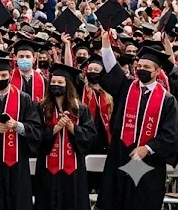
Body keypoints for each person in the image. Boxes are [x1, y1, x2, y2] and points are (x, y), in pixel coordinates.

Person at [96, 33, 178, 210]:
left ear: (157, 72)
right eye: (139, 65)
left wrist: (147, 148)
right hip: (120, 154)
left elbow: (171, 134)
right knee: (116, 201)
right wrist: (105, 44)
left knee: (141, 203)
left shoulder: (167, 100)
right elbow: (112, 68)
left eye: (147, 67)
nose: (141, 69)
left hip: (148, 163)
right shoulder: (126, 87)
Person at [0, 57, 43, 210]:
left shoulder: (24, 99)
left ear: (10, 74)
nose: (0, 79)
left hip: (17, 162)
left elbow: (36, 129)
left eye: (4, 76)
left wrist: (17, 125)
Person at [35, 64, 97, 210]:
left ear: (67, 85)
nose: (56, 85)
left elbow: (90, 136)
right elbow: (35, 135)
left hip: (73, 170)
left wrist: (72, 127)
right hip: (48, 169)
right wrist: (55, 128)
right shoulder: (41, 108)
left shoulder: (80, 109)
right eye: (54, 82)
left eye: (60, 82)